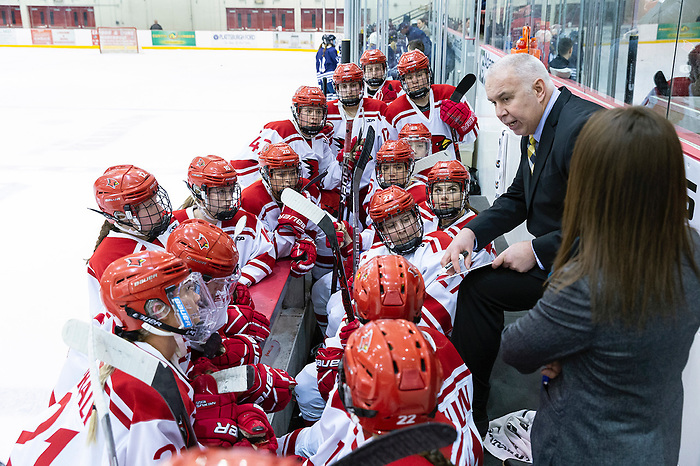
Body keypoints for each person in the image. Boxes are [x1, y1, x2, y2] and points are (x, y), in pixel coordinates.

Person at [500, 106, 700, 465]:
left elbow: (516, 348)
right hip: (659, 441)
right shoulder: (692, 246)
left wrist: (561, 353)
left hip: (582, 447)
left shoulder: (591, 280)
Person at [440, 52, 602, 436]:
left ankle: (471, 407)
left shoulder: (582, 130)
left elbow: (604, 228)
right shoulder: (541, 126)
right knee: (479, 287)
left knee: (483, 293)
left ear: (539, 88)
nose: (499, 112)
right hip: (563, 258)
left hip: (589, 268)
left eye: (506, 99)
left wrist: (537, 251)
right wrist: (472, 232)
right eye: (494, 103)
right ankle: (468, 402)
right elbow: (517, 197)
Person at [9, 250, 217, 465]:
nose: (198, 297)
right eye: (187, 290)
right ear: (158, 310)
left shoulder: (119, 356)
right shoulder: (151, 388)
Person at [281, 256, 484, 466]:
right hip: (467, 449)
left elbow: (324, 446)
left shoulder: (367, 416)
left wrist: (266, 448)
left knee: (306, 393)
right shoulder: (439, 342)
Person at [174, 155, 276, 288]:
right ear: (199, 192)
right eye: (221, 192)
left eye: (231, 190)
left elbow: (266, 255)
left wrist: (237, 286)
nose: (229, 199)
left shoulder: (247, 221)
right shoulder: (175, 224)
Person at [240, 142, 333, 279]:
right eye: (282, 175)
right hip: (267, 268)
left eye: (292, 173)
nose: (289, 181)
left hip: (302, 263)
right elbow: (263, 250)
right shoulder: (251, 199)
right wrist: (292, 229)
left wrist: (308, 244)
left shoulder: (309, 189)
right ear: (266, 174)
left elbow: (318, 230)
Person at [237, 86, 339, 195]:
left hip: (303, 197)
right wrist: (270, 192)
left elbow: (327, 180)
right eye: (308, 111)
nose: (314, 117)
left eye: (318, 112)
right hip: (277, 200)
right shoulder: (279, 131)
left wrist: (344, 162)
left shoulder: (321, 139)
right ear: (297, 111)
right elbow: (241, 164)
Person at [386, 50, 478, 160]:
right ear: (403, 81)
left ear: (428, 74)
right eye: (409, 78)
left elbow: (472, 137)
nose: (415, 81)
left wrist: (463, 123)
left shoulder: (449, 95)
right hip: (413, 175)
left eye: (419, 75)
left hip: (449, 173)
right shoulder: (394, 111)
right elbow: (392, 152)